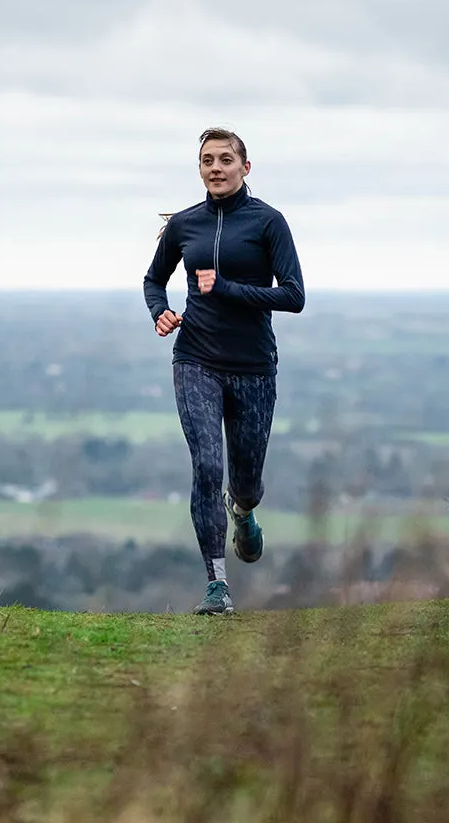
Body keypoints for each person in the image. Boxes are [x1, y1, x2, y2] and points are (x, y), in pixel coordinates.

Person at [143, 127, 305, 614]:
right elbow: (154, 279)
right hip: (195, 360)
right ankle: (217, 584)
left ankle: (245, 511)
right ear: (199, 169)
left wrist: (228, 288)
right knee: (207, 467)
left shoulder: (268, 222)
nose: (216, 167)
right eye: (207, 161)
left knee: (246, 480)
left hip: (254, 366)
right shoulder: (184, 225)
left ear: (245, 167)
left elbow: (294, 296)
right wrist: (161, 312)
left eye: (225, 160)